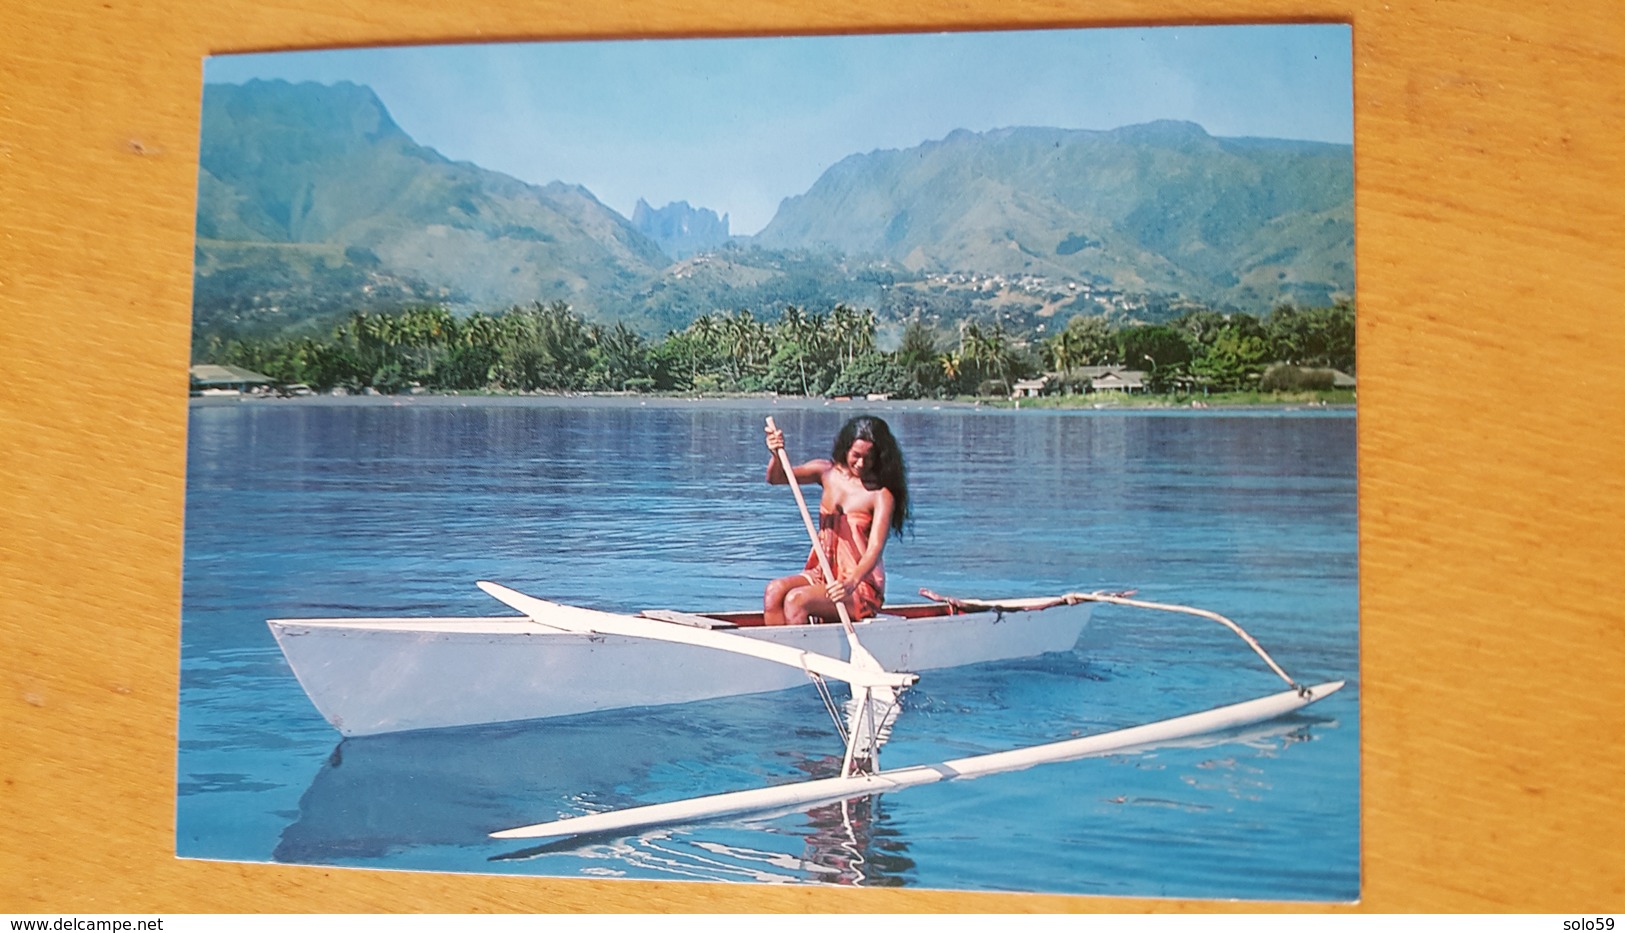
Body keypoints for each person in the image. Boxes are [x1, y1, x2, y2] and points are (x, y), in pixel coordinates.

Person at [762, 415, 910, 626]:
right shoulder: (826, 472)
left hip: (858, 585)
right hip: (821, 573)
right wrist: (776, 454)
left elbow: (874, 549)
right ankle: (779, 653)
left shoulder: (881, 495)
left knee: (797, 601)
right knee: (774, 591)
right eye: (856, 455)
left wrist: (850, 582)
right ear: (846, 448)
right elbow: (777, 478)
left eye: (868, 458)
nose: (860, 463)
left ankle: (804, 654)